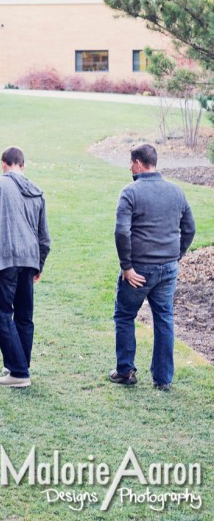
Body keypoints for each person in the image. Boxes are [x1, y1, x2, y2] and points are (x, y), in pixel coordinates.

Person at [110, 143, 195, 391]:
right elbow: (189, 228)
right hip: (167, 269)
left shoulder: (130, 192)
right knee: (164, 319)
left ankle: (125, 371)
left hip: (139, 270)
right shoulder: (176, 191)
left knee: (125, 315)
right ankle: (163, 379)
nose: (129, 167)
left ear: (138, 163)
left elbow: (121, 232)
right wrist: (176, 255)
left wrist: (126, 266)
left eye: (130, 163)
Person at [0, 146, 51, 388]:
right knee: (24, 316)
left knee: (2, 313)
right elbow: (44, 236)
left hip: (6, 257)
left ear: (3, 164)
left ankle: (18, 371)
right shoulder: (37, 191)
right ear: (23, 165)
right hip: (29, 259)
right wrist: (39, 263)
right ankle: (19, 365)